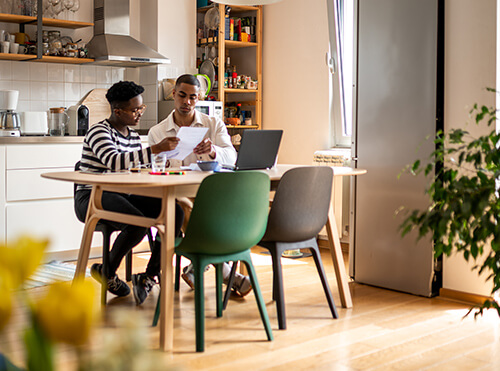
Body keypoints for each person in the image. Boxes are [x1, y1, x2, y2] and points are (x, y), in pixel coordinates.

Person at [74, 81, 184, 306]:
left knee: (175, 211)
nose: (139, 114)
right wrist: (155, 149)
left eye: (141, 109)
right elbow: (114, 162)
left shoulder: (133, 136)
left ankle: (149, 276)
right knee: (138, 224)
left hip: (123, 194)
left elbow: (135, 169)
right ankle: (107, 271)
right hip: (92, 196)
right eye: (135, 110)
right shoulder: (98, 131)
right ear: (117, 111)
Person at [148, 74, 252, 297]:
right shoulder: (157, 132)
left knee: (208, 207)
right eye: (182, 96)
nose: (187, 102)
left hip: (211, 195)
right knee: (183, 205)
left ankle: (198, 266)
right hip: (175, 197)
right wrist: (161, 161)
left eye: (192, 98)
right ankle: (225, 272)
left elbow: (232, 157)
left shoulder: (213, 124)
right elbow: (152, 169)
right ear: (173, 94)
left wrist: (213, 150)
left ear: (199, 98)